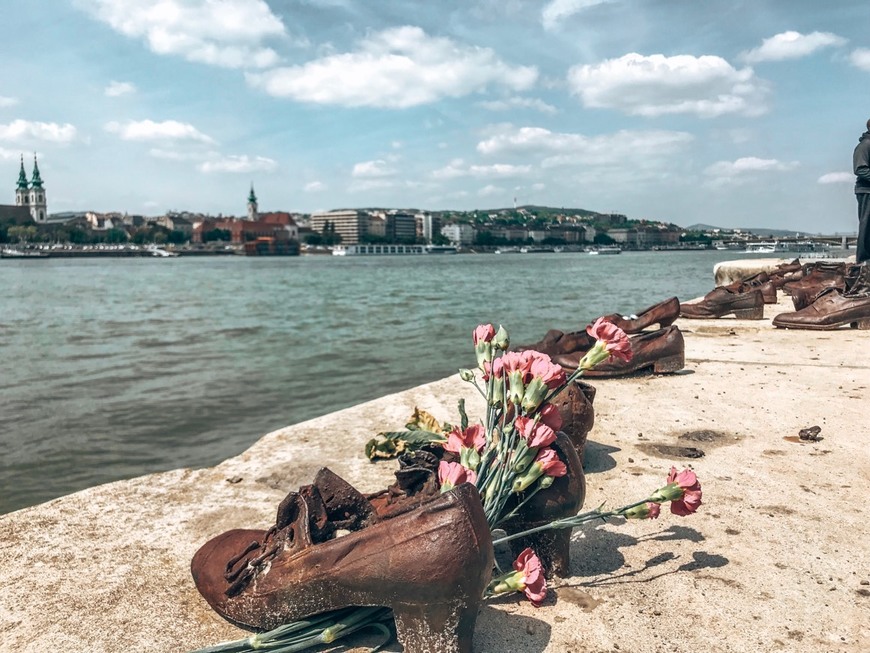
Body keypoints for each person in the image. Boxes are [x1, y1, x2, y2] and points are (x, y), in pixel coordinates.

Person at [853, 118, 870, 263]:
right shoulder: (865, 145)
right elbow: (860, 169)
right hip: (867, 192)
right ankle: (864, 262)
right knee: (867, 227)